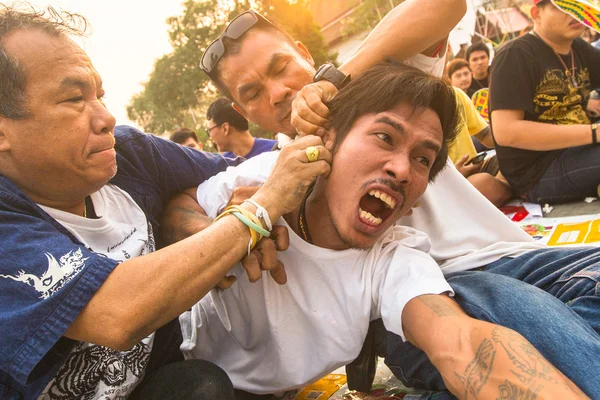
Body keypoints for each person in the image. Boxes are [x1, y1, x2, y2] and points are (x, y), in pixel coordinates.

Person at [163, 3, 600, 395]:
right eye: (252, 93)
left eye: (280, 68)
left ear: (304, 51)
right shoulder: (264, 178)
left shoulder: (379, 86)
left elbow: (444, 6)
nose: (277, 93)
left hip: (511, 256)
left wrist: (337, 81)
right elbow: (184, 203)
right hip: (433, 298)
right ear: (242, 113)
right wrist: (235, 230)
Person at [0, 5, 332, 399]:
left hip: (165, 384)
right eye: (74, 98)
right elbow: (118, 312)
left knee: (202, 386)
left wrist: (196, 219)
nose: (106, 116)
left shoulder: (132, 155)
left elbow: (235, 172)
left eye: (100, 95)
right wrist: (259, 210)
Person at [490, 0, 600, 204]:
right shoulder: (515, 55)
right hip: (538, 172)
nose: (573, 12)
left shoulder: (579, 48)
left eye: (578, 4)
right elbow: (506, 132)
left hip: (580, 149)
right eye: (562, 6)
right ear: (536, 14)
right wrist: (594, 132)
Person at [450, 87, 513, 206]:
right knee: (479, 184)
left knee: (519, 158)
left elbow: (486, 136)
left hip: (476, 166)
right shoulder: (409, 108)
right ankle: (504, 186)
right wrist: (451, 176)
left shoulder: (455, 94)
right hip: (447, 183)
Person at [206, 97, 276, 158]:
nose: (210, 137)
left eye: (209, 131)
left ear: (225, 128)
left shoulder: (276, 151)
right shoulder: (224, 164)